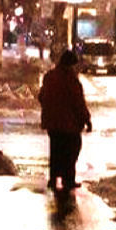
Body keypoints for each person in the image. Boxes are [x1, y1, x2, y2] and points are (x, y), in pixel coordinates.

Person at [38, 48, 92, 192]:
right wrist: (87, 120)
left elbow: (41, 96)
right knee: (71, 150)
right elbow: (78, 103)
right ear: (71, 65)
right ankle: (68, 180)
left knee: (56, 150)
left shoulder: (49, 76)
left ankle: (53, 179)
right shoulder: (71, 80)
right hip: (68, 125)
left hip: (52, 123)